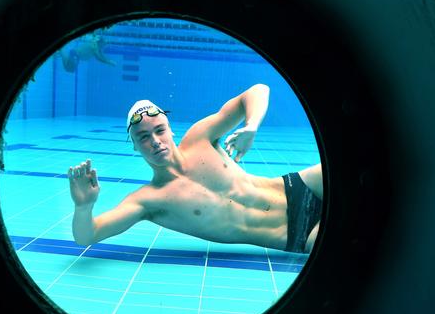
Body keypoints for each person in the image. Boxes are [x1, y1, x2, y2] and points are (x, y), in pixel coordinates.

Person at [67, 84, 323, 254]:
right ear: (134, 146)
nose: (155, 142)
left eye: (159, 131)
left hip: (301, 186)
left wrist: (251, 126)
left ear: (170, 130)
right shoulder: (148, 201)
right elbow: (87, 235)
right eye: (143, 137)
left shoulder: (200, 139)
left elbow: (258, 90)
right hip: (297, 234)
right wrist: (83, 207)